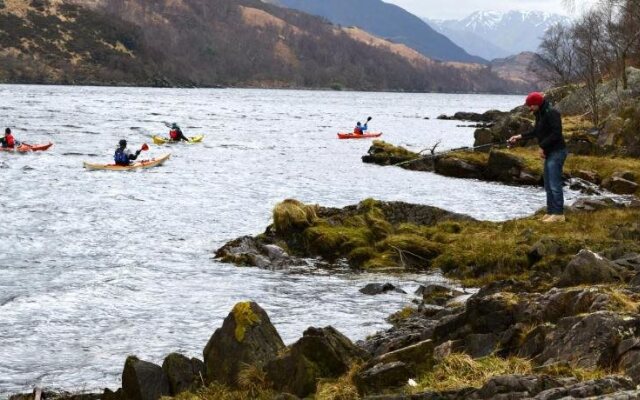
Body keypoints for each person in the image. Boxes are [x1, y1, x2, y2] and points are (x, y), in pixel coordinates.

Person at [508, 92, 568, 223]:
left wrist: (542, 146)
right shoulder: (540, 114)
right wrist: (519, 136)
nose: (529, 108)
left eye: (530, 105)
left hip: (557, 152)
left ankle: (558, 214)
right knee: (547, 184)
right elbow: (536, 132)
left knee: (554, 183)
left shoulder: (552, 113)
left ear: (536, 104)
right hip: (550, 152)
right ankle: (551, 212)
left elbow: (556, 133)